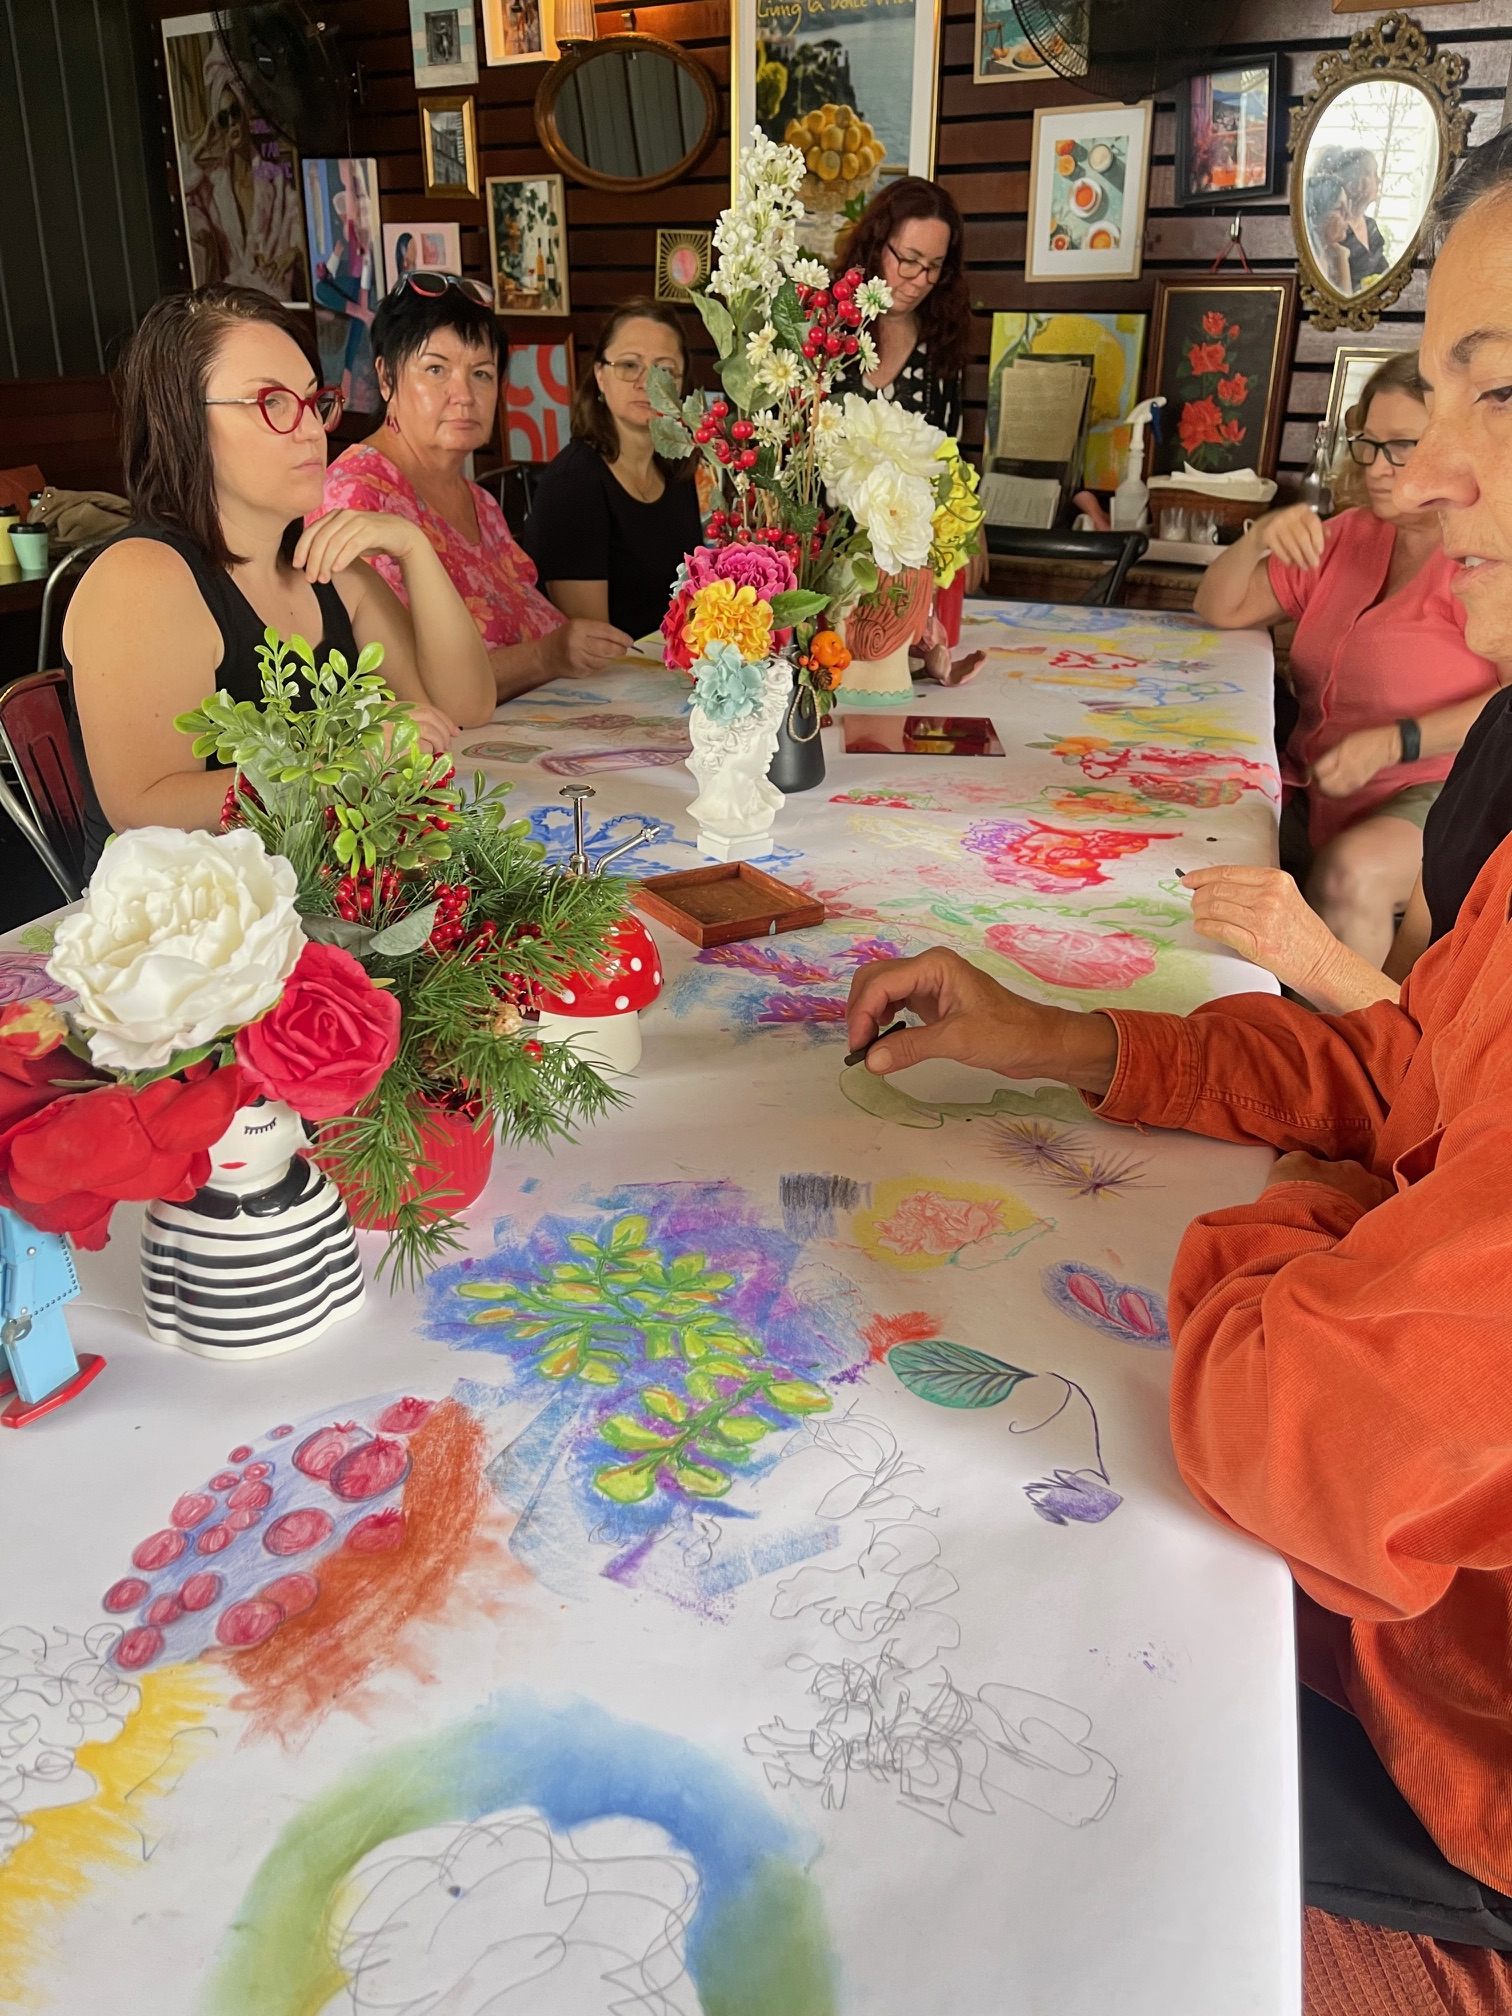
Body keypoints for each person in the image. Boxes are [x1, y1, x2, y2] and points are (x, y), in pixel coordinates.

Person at [847, 126, 1512, 2014]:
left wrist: (1296, 1232)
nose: (1430, 478)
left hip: (1431, 1786)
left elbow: (1310, 1433)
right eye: (1421, 401)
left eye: (1499, 392)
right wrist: (1061, 1036)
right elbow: (1408, 1083)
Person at [64, 285, 494, 878]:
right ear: (184, 419)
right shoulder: (143, 578)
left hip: (325, 899)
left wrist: (412, 547)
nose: (312, 430)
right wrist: (349, 766)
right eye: (272, 402)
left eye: (314, 401)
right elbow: (144, 807)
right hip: (185, 934)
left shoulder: (329, 569)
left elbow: (464, 706)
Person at [1193, 349, 1497, 964]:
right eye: (1369, 443)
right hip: (1315, 781)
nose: (1381, 468)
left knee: (1345, 875)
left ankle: (1360, 1053)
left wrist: (1396, 741)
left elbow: (1511, 705)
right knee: (1208, 843)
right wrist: (1257, 537)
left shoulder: (1484, 556)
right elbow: (1218, 608)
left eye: (1403, 446)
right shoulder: (1343, 536)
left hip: (1437, 786)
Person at [319, 274, 630, 699]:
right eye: (435, 369)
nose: (463, 393)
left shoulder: (480, 503)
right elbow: (404, 684)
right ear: (386, 378)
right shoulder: (356, 498)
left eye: (481, 373)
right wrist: (546, 655)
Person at [520, 300, 703, 642]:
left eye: (664, 370)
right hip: (600, 686)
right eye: (629, 365)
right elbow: (593, 647)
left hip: (665, 676)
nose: (647, 383)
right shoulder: (574, 483)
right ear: (601, 376)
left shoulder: (677, 472)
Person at [1323, 145, 1391, 290]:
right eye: (1371, 173)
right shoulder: (1335, 230)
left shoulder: (1371, 225)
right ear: (1352, 182)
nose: (1378, 180)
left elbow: (1385, 274)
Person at [1304, 169, 1353, 295]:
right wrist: (1342, 260)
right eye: (1339, 208)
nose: (1348, 215)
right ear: (1317, 214)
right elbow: (1345, 302)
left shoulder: (1326, 252)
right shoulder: (1313, 257)